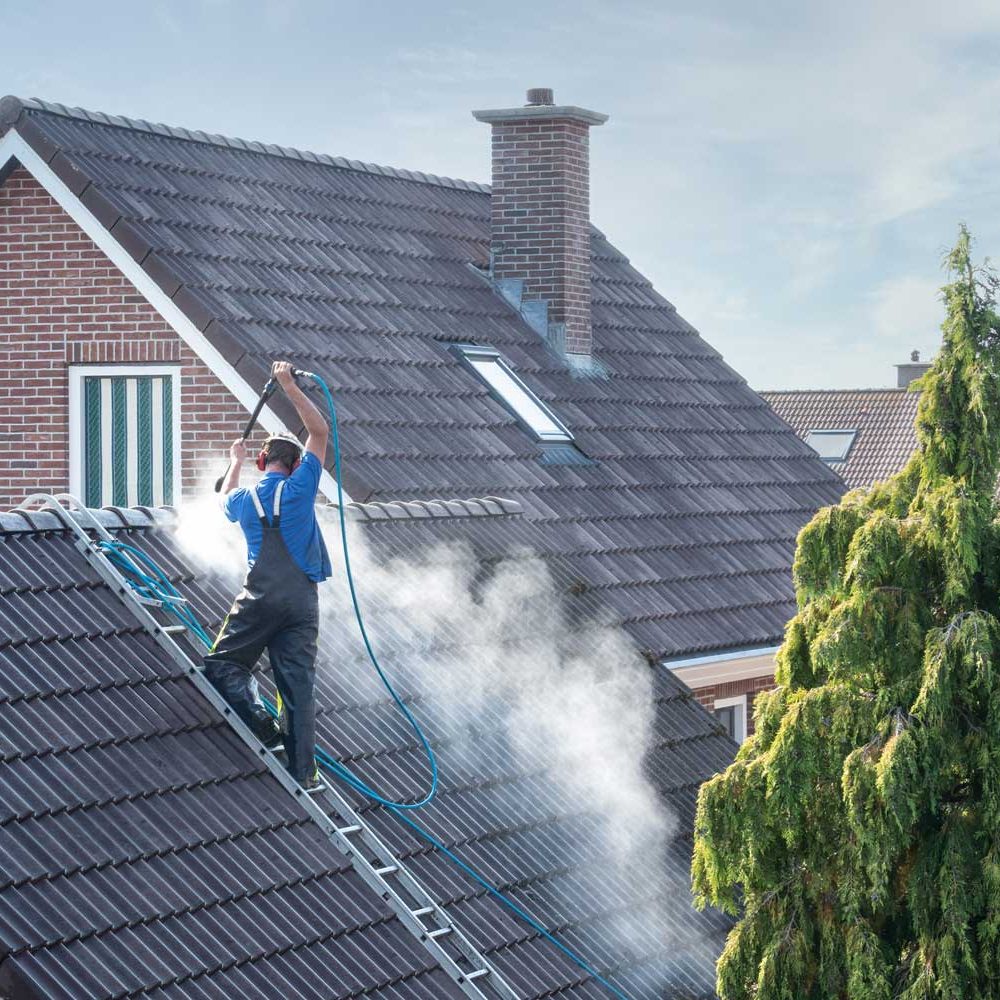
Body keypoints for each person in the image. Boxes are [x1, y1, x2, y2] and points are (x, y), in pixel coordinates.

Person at [204, 360, 332, 792]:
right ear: (297, 466)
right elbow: (319, 432)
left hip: (258, 598)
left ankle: (261, 725)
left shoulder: (243, 498)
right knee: (297, 687)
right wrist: (288, 386)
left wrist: (234, 462)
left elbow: (222, 497)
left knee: (222, 665)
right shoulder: (301, 489)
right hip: (301, 602)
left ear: (263, 461)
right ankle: (304, 773)